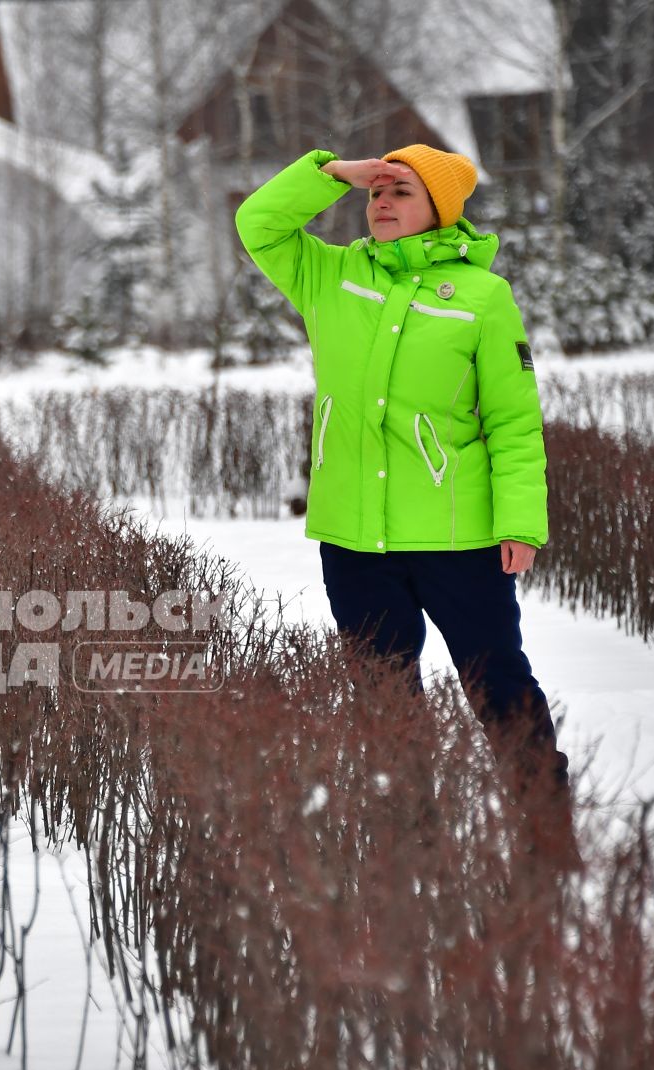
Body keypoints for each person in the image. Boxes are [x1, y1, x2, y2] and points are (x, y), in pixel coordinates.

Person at [233, 144, 577, 867]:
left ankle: (548, 836)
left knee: (498, 682)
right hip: (356, 540)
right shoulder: (331, 275)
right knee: (384, 697)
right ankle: (409, 844)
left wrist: (519, 522)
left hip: (460, 538)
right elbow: (258, 224)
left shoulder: (483, 298)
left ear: (442, 209)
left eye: (402, 192)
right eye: (377, 192)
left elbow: (513, 422)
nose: (383, 202)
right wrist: (330, 175)